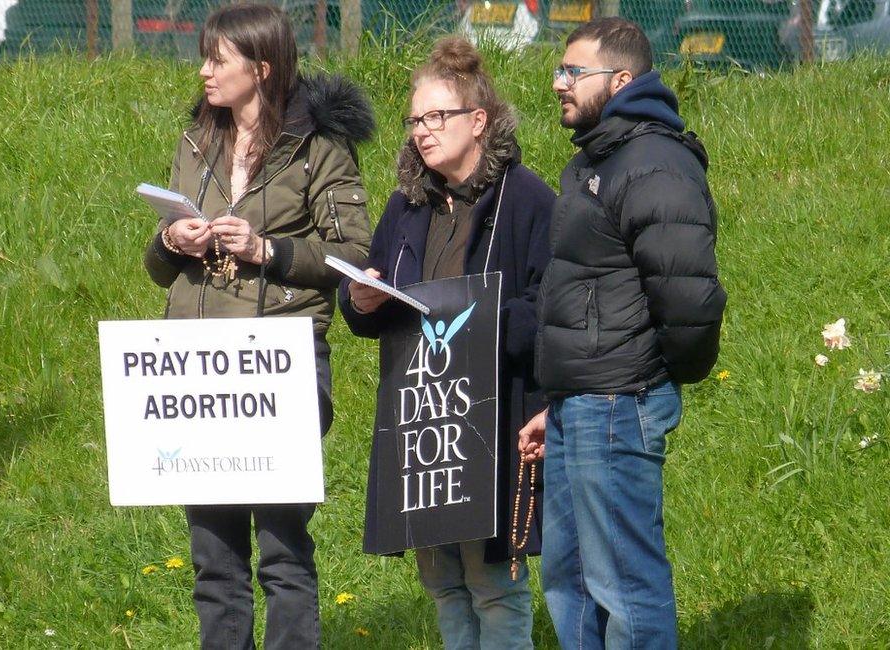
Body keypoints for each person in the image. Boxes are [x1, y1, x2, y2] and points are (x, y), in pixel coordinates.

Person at [143, 5, 373, 648]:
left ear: (262, 68)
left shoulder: (318, 147)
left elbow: (354, 255)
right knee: (213, 558)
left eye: (218, 59)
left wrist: (266, 250)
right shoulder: (196, 139)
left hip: (280, 364)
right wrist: (172, 238)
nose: (204, 71)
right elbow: (158, 268)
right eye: (204, 57)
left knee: (282, 546)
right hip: (200, 368)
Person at [518, 17, 727, 649]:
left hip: (617, 402)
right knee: (571, 582)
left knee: (625, 587)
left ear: (622, 78)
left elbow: (689, 299)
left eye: (573, 72)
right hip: (580, 402)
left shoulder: (653, 162)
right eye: (559, 69)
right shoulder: (598, 158)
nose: (559, 83)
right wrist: (559, 397)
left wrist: (646, 380)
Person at [339, 36, 554, 650]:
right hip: (424, 421)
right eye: (414, 120)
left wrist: (481, 323)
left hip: (493, 413)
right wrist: (359, 301)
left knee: (494, 585)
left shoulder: (530, 201)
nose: (421, 132)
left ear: (478, 120)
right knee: (441, 583)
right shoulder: (406, 206)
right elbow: (373, 304)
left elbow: (553, 307)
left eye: (436, 117)